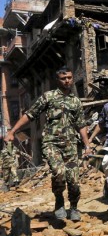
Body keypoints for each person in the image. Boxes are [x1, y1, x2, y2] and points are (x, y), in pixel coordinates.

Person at [5, 66, 92, 221]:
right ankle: (59, 202)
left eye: (69, 78)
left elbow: (81, 125)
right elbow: (29, 115)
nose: (67, 81)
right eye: (63, 78)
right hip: (51, 143)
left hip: (71, 145)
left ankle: (73, 208)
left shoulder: (76, 101)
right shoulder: (49, 97)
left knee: (74, 180)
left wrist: (87, 145)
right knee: (59, 173)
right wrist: (12, 131)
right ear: (57, 80)